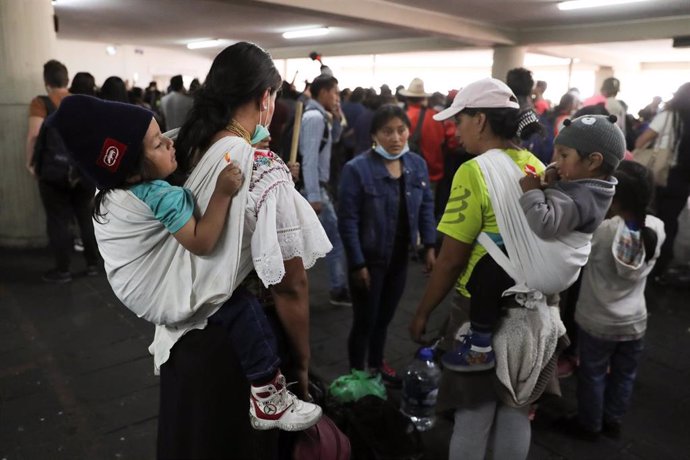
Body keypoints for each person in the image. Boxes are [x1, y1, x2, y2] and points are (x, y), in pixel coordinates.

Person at [49, 94, 322, 432]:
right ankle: (268, 394)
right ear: (132, 168)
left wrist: (246, 138)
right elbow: (203, 241)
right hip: (159, 291)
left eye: (161, 134)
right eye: (157, 144)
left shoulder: (114, 192)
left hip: (142, 303)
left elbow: (181, 138)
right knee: (236, 305)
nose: (169, 143)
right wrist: (222, 192)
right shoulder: (162, 195)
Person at [408, 78, 561, 460]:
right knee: (516, 410)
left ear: (480, 120)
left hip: (480, 313)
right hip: (531, 311)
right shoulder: (536, 165)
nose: (454, 130)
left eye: (459, 121)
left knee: (473, 416)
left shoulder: (474, 172)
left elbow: (451, 259)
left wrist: (424, 311)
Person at [441, 113, 625, 373]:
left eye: (563, 156)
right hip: (555, 274)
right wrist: (553, 176)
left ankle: (480, 346)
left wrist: (532, 191)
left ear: (593, 161)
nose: (554, 162)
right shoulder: (594, 188)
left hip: (546, 268)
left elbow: (545, 223)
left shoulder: (580, 197)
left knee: (485, 274)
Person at [566, 161, 665, 440]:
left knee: (593, 374)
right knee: (624, 375)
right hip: (635, 321)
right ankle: (613, 419)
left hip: (598, 321)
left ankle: (589, 424)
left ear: (615, 197)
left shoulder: (605, 230)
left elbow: (576, 249)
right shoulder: (657, 226)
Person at [338, 104, 436, 384]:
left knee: (384, 319)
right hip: (369, 261)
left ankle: (377, 364)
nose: (395, 138)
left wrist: (430, 245)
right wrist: (357, 263)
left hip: (400, 259)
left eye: (401, 130)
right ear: (374, 135)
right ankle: (358, 373)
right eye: (387, 131)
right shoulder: (356, 169)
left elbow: (427, 207)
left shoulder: (416, 165)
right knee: (364, 321)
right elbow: (348, 221)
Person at [25, 59, 100, 283]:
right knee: (85, 217)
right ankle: (93, 264)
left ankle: (63, 270)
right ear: (67, 79)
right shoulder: (81, 101)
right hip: (82, 170)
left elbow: (34, 135)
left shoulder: (41, 102)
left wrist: (31, 163)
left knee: (58, 220)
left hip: (53, 171)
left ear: (46, 81)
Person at [298, 74, 352, 306]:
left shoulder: (323, 116)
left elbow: (334, 140)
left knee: (310, 242)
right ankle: (338, 289)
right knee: (334, 239)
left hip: (319, 187)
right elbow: (309, 159)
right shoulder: (314, 117)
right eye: (335, 93)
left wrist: (338, 116)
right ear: (323, 93)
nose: (337, 97)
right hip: (315, 189)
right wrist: (314, 196)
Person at [634, 82, 690, 284]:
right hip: (683, 177)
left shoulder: (668, 116)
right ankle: (660, 266)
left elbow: (641, 142)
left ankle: (643, 259)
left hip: (659, 175)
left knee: (650, 217)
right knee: (670, 221)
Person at [399, 77, 446, 185]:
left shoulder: (404, 116)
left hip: (412, 171)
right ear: (423, 98)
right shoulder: (436, 115)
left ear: (407, 97)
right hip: (435, 171)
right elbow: (442, 140)